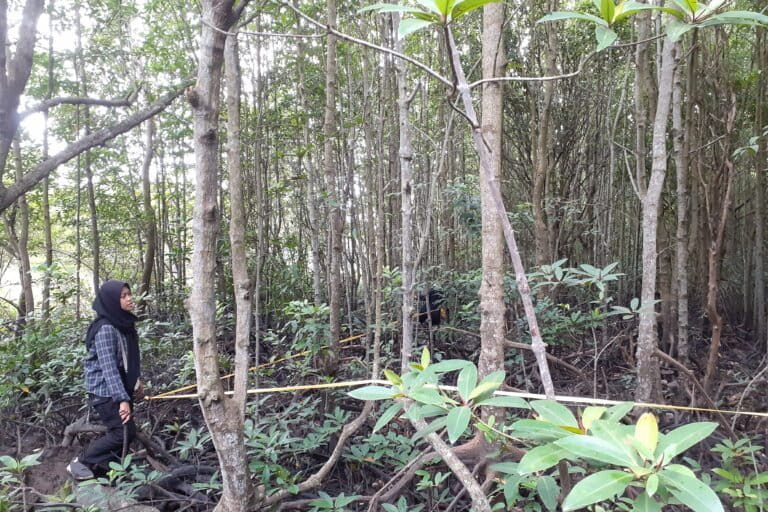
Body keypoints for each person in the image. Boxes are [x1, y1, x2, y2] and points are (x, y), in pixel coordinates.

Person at [67, 280, 143, 481]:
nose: (129, 299)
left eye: (129, 294)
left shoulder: (121, 323)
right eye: (123, 296)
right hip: (104, 391)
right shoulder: (106, 328)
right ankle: (81, 463)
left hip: (118, 387)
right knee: (122, 432)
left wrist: (135, 381)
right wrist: (122, 399)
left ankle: (104, 470)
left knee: (126, 431)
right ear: (111, 300)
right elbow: (108, 368)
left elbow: (126, 359)